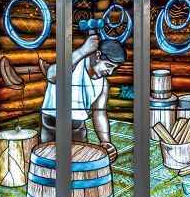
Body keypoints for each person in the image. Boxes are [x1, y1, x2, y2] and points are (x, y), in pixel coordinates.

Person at [40, 34, 126, 162]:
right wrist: (83, 50)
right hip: (52, 121)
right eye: (108, 66)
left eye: (114, 69)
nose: (110, 72)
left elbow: (100, 113)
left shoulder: (103, 84)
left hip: (77, 126)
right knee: (48, 159)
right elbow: (51, 75)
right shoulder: (75, 63)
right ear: (97, 56)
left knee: (79, 162)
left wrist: (106, 141)